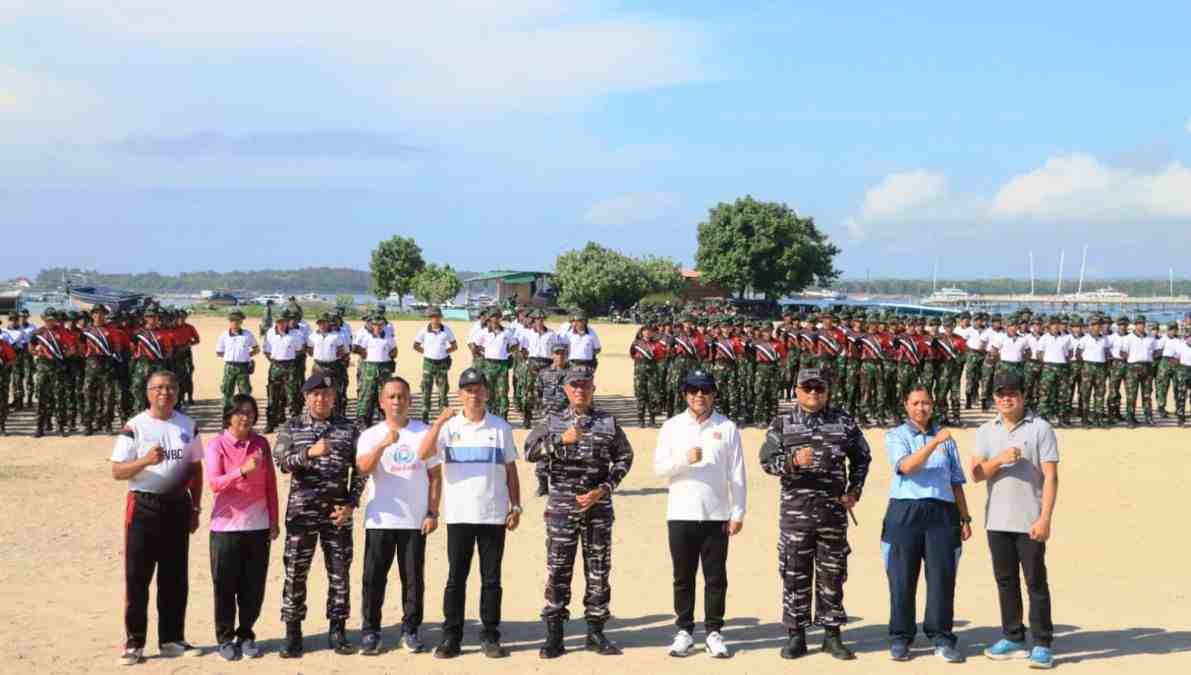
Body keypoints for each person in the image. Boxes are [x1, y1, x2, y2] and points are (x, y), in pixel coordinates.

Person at [759, 368, 871, 661]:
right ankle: (796, 635)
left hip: (833, 514)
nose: (813, 394)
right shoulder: (783, 422)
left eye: (818, 389)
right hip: (796, 516)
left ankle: (831, 635)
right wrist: (792, 460)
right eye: (807, 388)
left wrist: (854, 490)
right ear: (796, 390)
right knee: (795, 574)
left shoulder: (843, 421)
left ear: (827, 391)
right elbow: (766, 461)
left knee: (832, 575)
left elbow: (862, 457)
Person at [525, 366, 634, 659]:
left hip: (597, 508)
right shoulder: (553, 421)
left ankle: (596, 632)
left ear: (593, 389)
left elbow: (625, 457)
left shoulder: (608, 422)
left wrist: (605, 488)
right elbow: (528, 451)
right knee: (559, 569)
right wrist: (561, 440)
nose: (579, 390)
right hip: (562, 508)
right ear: (566, 390)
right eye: (574, 386)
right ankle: (555, 635)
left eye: (585, 385)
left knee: (598, 570)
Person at [416, 367, 521, 659]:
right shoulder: (449, 428)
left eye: (478, 389)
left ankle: (490, 635)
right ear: (460, 394)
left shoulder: (500, 427)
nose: (474, 394)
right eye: (468, 390)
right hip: (460, 515)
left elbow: (511, 469)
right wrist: (438, 423)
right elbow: (423, 454)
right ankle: (452, 636)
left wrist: (516, 505)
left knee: (491, 580)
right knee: (456, 578)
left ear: (487, 392)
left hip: (492, 514)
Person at [109, 370, 204, 665]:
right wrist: (145, 461)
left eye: (171, 387)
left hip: (178, 506)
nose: (165, 392)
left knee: (175, 576)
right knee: (138, 577)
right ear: (148, 392)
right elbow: (117, 471)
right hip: (143, 507)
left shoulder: (187, 425)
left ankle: (172, 639)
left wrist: (196, 508)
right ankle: (134, 642)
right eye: (159, 388)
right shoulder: (135, 426)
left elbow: (195, 470)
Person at [653, 369, 746, 659]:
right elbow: (659, 468)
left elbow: (738, 474)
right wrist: (684, 459)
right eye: (693, 390)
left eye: (705, 390)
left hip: (716, 514)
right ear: (685, 394)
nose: (699, 396)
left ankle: (714, 632)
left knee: (716, 577)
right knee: (683, 576)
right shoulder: (672, 426)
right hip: (681, 513)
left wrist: (738, 512)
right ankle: (684, 631)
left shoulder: (727, 427)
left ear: (713, 394)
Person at [970, 371, 1059, 669]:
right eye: (1001, 394)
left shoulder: (1040, 428)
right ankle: (1013, 635)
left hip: (1030, 519)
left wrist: (1045, 518)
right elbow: (976, 474)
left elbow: (1050, 477)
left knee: (1035, 581)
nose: (1006, 398)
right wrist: (999, 459)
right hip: (996, 519)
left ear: (1023, 395)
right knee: (1005, 581)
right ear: (994, 398)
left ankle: (1043, 642)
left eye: (1012, 393)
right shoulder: (985, 431)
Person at [274, 374, 367, 658]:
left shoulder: (349, 429)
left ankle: (337, 630)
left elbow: (360, 470)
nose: (321, 399)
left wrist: (351, 503)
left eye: (326, 394)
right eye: (315, 394)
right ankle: (293, 633)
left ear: (334, 397)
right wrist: (308, 453)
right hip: (301, 515)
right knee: (295, 574)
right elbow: (282, 463)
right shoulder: (292, 427)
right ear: (305, 397)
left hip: (336, 515)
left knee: (339, 573)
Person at [881, 386, 972, 663]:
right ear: (906, 406)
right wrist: (933, 442)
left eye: (927, 403)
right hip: (905, 511)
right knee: (901, 577)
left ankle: (942, 636)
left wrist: (965, 517)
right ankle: (901, 636)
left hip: (942, 513)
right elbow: (907, 466)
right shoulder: (896, 435)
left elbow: (956, 481)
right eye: (916, 403)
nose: (921, 408)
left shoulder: (947, 440)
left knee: (942, 577)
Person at [356, 377, 443, 655]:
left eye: (402, 396)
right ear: (381, 402)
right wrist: (382, 446)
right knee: (373, 578)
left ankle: (411, 629)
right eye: (391, 397)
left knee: (413, 579)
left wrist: (432, 511)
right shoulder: (370, 434)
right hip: (381, 518)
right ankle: (371, 631)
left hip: (414, 519)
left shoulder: (423, 432)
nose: (397, 401)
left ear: (410, 400)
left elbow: (435, 475)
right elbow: (363, 469)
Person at [204, 395, 278, 661]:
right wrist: (242, 471)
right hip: (225, 528)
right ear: (229, 416)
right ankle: (224, 638)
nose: (244, 417)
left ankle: (246, 634)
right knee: (224, 586)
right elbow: (214, 483)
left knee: (253, 586)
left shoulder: (261, 444)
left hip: (257, 526)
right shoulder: (217, 445)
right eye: (239, 413)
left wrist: (274, 519)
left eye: (249, 412)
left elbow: (270, 483)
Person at [413, 306, 458, 424]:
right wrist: (426, 352)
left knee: (443, 391)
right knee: (426, 390)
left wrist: (445, 352)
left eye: (437, 317)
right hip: (428, 363)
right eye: (433, 317)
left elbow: (454, 346)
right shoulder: (423, 331)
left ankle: (443, 416)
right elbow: (416, 345)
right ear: (430, 318)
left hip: (442, 363)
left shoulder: (447, 330)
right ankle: (425, 415)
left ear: (440, 318)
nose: (435, 319)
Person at [31, 308, 69, 437]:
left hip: (57, 368)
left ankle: (61, 426)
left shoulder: (62, 332)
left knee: (59, 397)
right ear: (44, 319)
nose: (50, 321)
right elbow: (30, 347)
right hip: (42, 368)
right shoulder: (39, 332)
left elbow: (71, 348)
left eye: (52, 319)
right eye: (48, 319)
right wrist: (36, 352)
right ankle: (40, 427)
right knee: (41, 397)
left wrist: (62, 356)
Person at [262, 311, 302, 433]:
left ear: (287, 322)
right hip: (275, 366)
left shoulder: (295, 334)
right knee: (272, 396)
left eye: (283, 321)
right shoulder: (270, 333)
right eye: (278, 322)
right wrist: (274, 362)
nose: (281, 324)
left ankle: (295, 424)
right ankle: (271, 422)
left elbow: (299, 349)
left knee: (292, 396)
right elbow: (266, 350)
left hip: (290, 366)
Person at [354, 316, 398, 426]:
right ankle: (363, 419)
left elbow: (394, 350)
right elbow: (356, 348)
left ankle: (385, 417)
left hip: (384, 367)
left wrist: (388, 357)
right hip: (369, 367)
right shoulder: (366, 336)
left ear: (383, 326)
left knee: (385, 392)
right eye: (375, 325)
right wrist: (364, 355)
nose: (377, 327)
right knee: (367, 393)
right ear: (372, 326)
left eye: (380, 325)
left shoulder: (388, 337)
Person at [215, 310, 258, 418]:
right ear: (229, 322)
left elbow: (256, 349)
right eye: (233, 321)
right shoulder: (224, 335)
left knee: (245, 393)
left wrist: (247, 355)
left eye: (238, 321)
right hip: (229, 366)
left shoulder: (247, 334)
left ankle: (244, 414)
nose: (235, 323)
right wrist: (229, 356)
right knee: (227, 392)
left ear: (241, 322)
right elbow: (219, 352)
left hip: (243, 367)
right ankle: (226, 417)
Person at [307, 312, 349, 417]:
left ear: (328, 323)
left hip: (333, 367)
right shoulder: (312, 336)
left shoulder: (336, 336)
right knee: (317, 391)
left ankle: (337, 415)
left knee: (335, 392)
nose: (322, 325)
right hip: (318, 367)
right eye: (320, 323)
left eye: (324, 322)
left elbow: (342, 350)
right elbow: (310, 350)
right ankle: (318, 414)